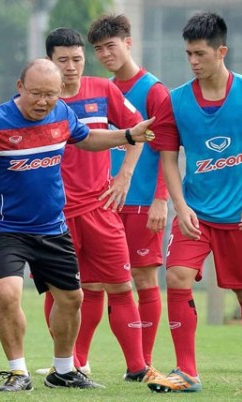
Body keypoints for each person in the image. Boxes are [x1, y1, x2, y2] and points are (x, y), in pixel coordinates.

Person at [0, 58, 155, 392]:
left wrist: (125, 135)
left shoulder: (62, 113)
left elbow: (85, 138)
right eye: (36, 93)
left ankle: (64, 371)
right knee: (8, 294)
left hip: (52, 227)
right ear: (19, 87)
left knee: (72, 299)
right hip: (5, 228)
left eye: (50, 95)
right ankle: (17, 372)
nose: (43, 102)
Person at [145, 12, 242, 393]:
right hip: (195, 212)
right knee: (175, 276)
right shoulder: (174, 101)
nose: (193, 61)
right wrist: (180, 204)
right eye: (188, 54)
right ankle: (186, 372)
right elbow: (168, 156)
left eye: (200, 54)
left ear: (221, 51)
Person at [36, 27, 159, 382]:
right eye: (63, 60)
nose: (72, 67)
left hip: (100, 209)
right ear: (49, 62)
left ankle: (137, 367)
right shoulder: (40, 102)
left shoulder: (103, 90)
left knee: (121, 286)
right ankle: (67, 362)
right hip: (55, 215)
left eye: (77, 59)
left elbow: (139, 130)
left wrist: (125, 177)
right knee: (62, 290)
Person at [88, 14, 171, 369]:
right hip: (104, 201)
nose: (106, 54)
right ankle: (77, 361)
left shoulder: (154, 90)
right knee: (94, 281)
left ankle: (144, 361)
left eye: (111, 46)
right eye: (99, 49)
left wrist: (161, 199)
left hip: (141, 200)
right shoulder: (104, 90)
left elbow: (169, 148)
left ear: (128, 43)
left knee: (142, 277)